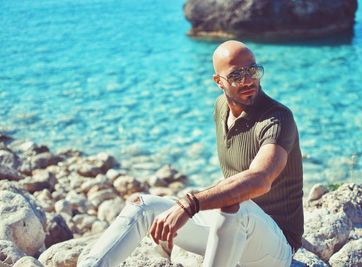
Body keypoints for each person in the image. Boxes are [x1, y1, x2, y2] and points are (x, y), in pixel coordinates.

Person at [78, 40, 304, 267]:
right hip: (231, 231)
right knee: (143, 206)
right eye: (236, 75)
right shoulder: (221, 107)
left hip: (275, 247)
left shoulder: (277, 118)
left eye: (253, 71)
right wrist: (185, 207)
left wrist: (190, 204)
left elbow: (261, 179)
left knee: (237, 201)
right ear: (219, 82)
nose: (248, 81)